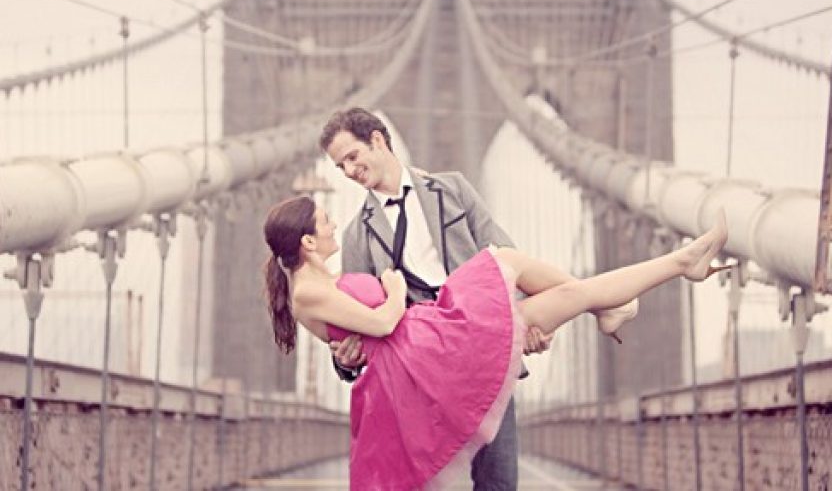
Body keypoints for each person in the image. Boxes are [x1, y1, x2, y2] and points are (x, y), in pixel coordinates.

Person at [262, 195, 728, 490]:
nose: (331, 226)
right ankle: (655, 278)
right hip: (428, 353)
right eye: (323, 222)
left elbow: (363, 334)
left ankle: (675, 266)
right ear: (306, 241)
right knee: (510, 266)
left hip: (432, 342)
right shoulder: (308, 291)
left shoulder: (323, 282)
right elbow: (383, 324)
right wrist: (396, 288)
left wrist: (367, 325)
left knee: (545, 282)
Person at [319, 107, 552, 489]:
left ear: (377, 140)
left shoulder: (454, 190)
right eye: (340, 166)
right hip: (417, 373)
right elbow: (352, 316)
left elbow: (507, 257)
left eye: (352, 157)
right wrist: (344, 360)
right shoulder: (356, 236)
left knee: (499, 483)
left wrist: (529, 323)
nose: (348, 171)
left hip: (483, 352)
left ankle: (612, 300)